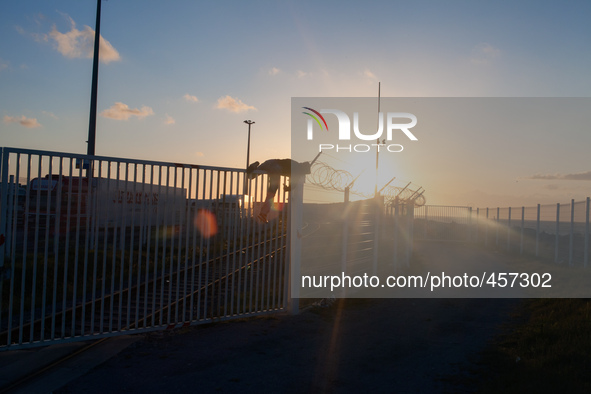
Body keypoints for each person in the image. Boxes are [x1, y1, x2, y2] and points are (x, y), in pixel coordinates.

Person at [246, 159, 311, 223]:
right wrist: (288, 188)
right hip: (275, 167)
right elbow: (294, 182)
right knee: (273, 189)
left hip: (268, 162)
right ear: (304, 169)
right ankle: (263, 213)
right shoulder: (298, 169)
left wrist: (289, 187)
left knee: (251, 176)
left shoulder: (295, 164)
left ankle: (254, 166)